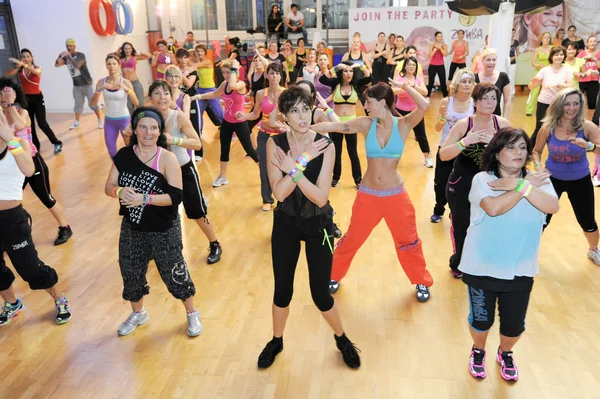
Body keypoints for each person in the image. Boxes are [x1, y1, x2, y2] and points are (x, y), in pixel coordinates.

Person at [257, 87, 360, 370]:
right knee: (282, 291)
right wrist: (302, 162)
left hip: (320, 226)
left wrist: (294, 167)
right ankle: (277, 340)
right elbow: (279, 194)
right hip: (286, 225)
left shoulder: (326, 145)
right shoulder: (274, 144)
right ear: (285, 116)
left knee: (320, 294)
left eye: (306, 108)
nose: (302, 116)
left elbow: (320, 196)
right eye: (295, 111)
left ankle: (342, 339)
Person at [310, 83, 434, 301]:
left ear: (383, 102)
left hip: (395, 195)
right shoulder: (366, 124)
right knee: (352, 239)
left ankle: (421, 281)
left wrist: (404, 85)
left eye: (368, 101)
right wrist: (304, 129)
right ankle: (333, 275)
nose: (365, 106)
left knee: (408, 240)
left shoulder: (403, 124)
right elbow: (334, 127)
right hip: (368, 195)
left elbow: (424, 104)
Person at [461, 128, 559, 382]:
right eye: (511, 147)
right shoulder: (483, 179)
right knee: (481, 321)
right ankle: (478, 350)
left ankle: (505, 353)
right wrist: (524, 187)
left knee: (514, 326)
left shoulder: (540, 180)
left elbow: (552, 206)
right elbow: (493, 208)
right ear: (497, 152)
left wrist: (518, 184)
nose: (519, 152)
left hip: (520, 268)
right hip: (481, 267)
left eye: (523, 147)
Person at [105, 106, 203, 337]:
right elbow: (108, 187)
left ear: (159, 131)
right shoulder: (124, 156)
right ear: (135, 130)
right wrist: (120, 191)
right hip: (132, 226)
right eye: (143, 127)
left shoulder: (167, 158)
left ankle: (191, 312)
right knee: (130, 269)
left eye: (154, 128)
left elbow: (176, 197)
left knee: (174, 272)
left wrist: (145, 198)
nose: (148, 132)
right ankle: (138, 313)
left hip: (164, 228)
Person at [0, 109, 72, 327]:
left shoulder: (17, 145)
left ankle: (60, 299)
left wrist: (11, 138)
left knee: (29, 266)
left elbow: (29, 169)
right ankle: (12, 304)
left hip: (12, 218)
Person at [439, 83, 511, 278]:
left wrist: (496, 146)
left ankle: (485, 260)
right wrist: (465, 142)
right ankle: (459, 261)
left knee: (490, 222)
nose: (490, 102)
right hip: (462, 182)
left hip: (491, 183)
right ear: (476, 101)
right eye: (485, 98)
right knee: (462, 224)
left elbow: (517, 155)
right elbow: (444, 155)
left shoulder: (502, 125)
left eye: (494, 98)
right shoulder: (464, 125)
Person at [148, 80, 222, 264]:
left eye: (165, 93)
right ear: (151, 98)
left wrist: (174, 140)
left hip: (183, 169)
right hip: (161, 174)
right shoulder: (148, 119)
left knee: (196, 211)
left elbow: (196, 143)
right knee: (160, 212)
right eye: (156, 93)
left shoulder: (177, 117)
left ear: (171, 97)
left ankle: (214, 243)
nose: (161, 97)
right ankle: (158, 248)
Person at [0, 78, 73, 246]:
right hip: (11, 166)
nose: (5, 94)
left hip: (31, 161)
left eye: (8, 91)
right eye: (2, 91)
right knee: (9, 198)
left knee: (46, 197)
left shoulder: (22, 111)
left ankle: (65, 227)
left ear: (16, 94)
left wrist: (10, 106)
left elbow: (19, 125)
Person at [532, 88, 600, 266]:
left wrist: (589, 146)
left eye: (576, 103)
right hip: (552, 179)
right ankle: (527, 252)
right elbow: (536, 151)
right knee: (541, 219)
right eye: (567, 103)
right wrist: (538, 167)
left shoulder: (587, 127)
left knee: (587, 221)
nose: (572, 108)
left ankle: (593, 250)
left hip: (580, 180)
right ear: (559, 105)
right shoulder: (548, 127)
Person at [194, 60, 259, 187]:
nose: (225, 75)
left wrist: (235, 67)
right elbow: (214, 94)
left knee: (250, 150)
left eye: (228, 72)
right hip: (227, 122)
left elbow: (233, 86)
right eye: (223, 73)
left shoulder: (240, 84)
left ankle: (265, 172)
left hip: (240, 123)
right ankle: (223, 177)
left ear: (234, 72)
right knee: (224, 149)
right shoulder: (224, 84)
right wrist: (197, 97)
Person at [235, 63, 286, 211]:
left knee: (283, 166)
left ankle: (283, 198)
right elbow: (255, 114)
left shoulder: (286, 93)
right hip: (264, 135)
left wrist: (279, 111)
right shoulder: (260, 93)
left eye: (277, 73)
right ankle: (267, 199)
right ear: (267, 75)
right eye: (272, 73)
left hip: (282, 136)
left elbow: (290, 116)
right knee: (264, 168)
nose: (275, 76)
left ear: (281, 76)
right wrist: (244, 116)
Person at [430, 69, 475, 223]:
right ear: (457, 83)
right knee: (441, 181)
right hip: (446, 147)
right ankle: (439, 208)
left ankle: (456, 211)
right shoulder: (446, 102)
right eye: (464, 81)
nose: (467, 84)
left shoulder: (474, 104)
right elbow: (437, 128)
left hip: (466, 149)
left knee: (462, 183)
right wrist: (442, 118)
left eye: (470, 81)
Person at [318, 61, 371, 188]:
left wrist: (361, 66)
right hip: (336, 122)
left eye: (351, 71)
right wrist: (335, 68)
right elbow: (322, 78)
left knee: (353, 152)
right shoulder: (336, 84)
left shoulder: (357, 84)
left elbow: (369, 77)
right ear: (342, 73)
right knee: (336, 151)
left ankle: (358, 180)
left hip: (351, 123)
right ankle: (336, 177)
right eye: (346, 71)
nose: (349, 73)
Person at [6, 49, 63, 154]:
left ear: (32, 58)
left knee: (42, 123)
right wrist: (17, 67)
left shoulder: (37, 68)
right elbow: (8, 74)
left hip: (37, 99)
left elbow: (36, 72)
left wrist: (24, 64)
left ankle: (57, 143)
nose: (26, 58)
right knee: (30, 125)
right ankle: (35, 147)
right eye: (23, 56)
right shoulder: (21, 70)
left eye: (28, 56)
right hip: (26, 99)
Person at [92, 55, 139, 158]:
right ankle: (119, 170)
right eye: (109, 64)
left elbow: (136, 102)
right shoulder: (101, 82)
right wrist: (99, 90)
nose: (112, 66)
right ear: (106, 66)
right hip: (109, 121)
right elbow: (93, 103)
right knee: (112, 150)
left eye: (114, 64)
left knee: (130, 148)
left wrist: (127, 90)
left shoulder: (125, 82)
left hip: (124, 120)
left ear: (119, 65)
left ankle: (134, 170)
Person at [392, 56, 433, 168]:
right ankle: (393, 159)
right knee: (398, 136)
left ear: (416, 67)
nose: (411, 67)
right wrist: (404, 88)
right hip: (400, 110)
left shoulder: (418, 79)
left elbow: (425, 92)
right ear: (405, 66)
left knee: (421, 135)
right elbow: (392, 91)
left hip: (416, 111)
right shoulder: (399, 79)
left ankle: (427, 158)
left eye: (413, 65)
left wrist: (414, 86)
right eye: (409, 64)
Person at [528, 46, 574, 145]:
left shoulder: (567, 70)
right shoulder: (544, 70)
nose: (559, 57)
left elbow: (571, 85)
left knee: (558, 128)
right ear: (552, 57)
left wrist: (559, 85)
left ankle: (556, 151)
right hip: (543, 103)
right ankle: (529, 150)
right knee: (540, 127)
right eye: (556, 54)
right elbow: (531, 87)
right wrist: (534, 82)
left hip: (559, 104)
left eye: (561, 54)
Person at [54, 38, 103, 130]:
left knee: (92, 104)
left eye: (70, 46)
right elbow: (56, 65)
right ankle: (76, 122)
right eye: (67, 46)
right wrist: (60, 55)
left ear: (74, 46)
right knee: (78, 104)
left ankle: (100, 120)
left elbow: (77, 66)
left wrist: (69, 57)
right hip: (76, 85)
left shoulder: (80, 55)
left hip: (86, 83)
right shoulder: (66, 57)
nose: (69, 48)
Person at [194, 44, 224, 161]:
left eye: (201, 51)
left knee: (218, 112)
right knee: (198, 114)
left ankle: (230, 130)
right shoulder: (197, 63)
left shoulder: (207, 62)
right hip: (201, 91)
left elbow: (196, 65)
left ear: (205, 52)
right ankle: (198, 134)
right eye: (198, 51)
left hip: (211, 90)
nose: (199, 53)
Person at [475, 49, 512, 119]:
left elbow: (507, 100)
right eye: (488, 60)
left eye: (494, 60)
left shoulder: (503, 77)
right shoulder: (475, 77)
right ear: (482, 61)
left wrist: (505, 118)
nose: (491, 62)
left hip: (496, 117)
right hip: (478, 118)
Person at [117, 42, 152, 114]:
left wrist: (138, 51)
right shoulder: (120, 58)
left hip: (135, 83)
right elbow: (111, 55)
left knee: (139, 104)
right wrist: (118, 49)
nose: (127, 50)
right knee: (129, 105)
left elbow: (149, 55)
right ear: (123, 50)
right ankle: (133, 121)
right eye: (126, 49)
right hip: (125, 84)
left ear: (132, 49)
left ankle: (141, 119)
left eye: (129, 48)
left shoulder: (135, 57)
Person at [525, 32, 552, 116]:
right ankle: (529, 110)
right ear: (541, 39)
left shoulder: (553, 48)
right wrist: (538, 65)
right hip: (539, 71)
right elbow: (533, 63)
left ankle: (550, 110)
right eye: (545, 37)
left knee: (549, 90)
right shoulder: (537, 49)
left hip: (549, 71)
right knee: (534, 91)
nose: (546, 39)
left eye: (548, 37)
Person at [576, 36, 600, 117]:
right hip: (581, 80)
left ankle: (590, 122)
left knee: (592, 103)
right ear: (587, 43)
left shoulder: (599, 52)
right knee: (578, 102)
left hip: (593, 81)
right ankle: (578, 122)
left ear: (597, 43)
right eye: (590, 41)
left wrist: (594, 58)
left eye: (594, 41)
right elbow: (576, 65)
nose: (592, 43)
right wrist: (584, 58)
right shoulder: (582, 53)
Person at [426, 31, 449, 97]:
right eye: (438, 36)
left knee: (443, 83)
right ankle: (427, 97)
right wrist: (435, 49)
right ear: (435, 37)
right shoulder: (431, 45)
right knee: (430, 82)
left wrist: (440, 48)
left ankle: (446, 97)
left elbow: (445, 54)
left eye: (441, 36)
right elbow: (430, 56)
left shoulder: (444, 45)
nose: (440, 38)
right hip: (432, 66)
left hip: (441, 66)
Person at [508, 29, 520, 99]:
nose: (512, 34)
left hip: (513, 62)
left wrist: (513, 57)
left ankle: (512, 93)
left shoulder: (516, 42)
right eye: (511, 33)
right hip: (505, 62)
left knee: (511, 78)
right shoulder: (505, 42)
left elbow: (518, 52)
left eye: (514, 33)